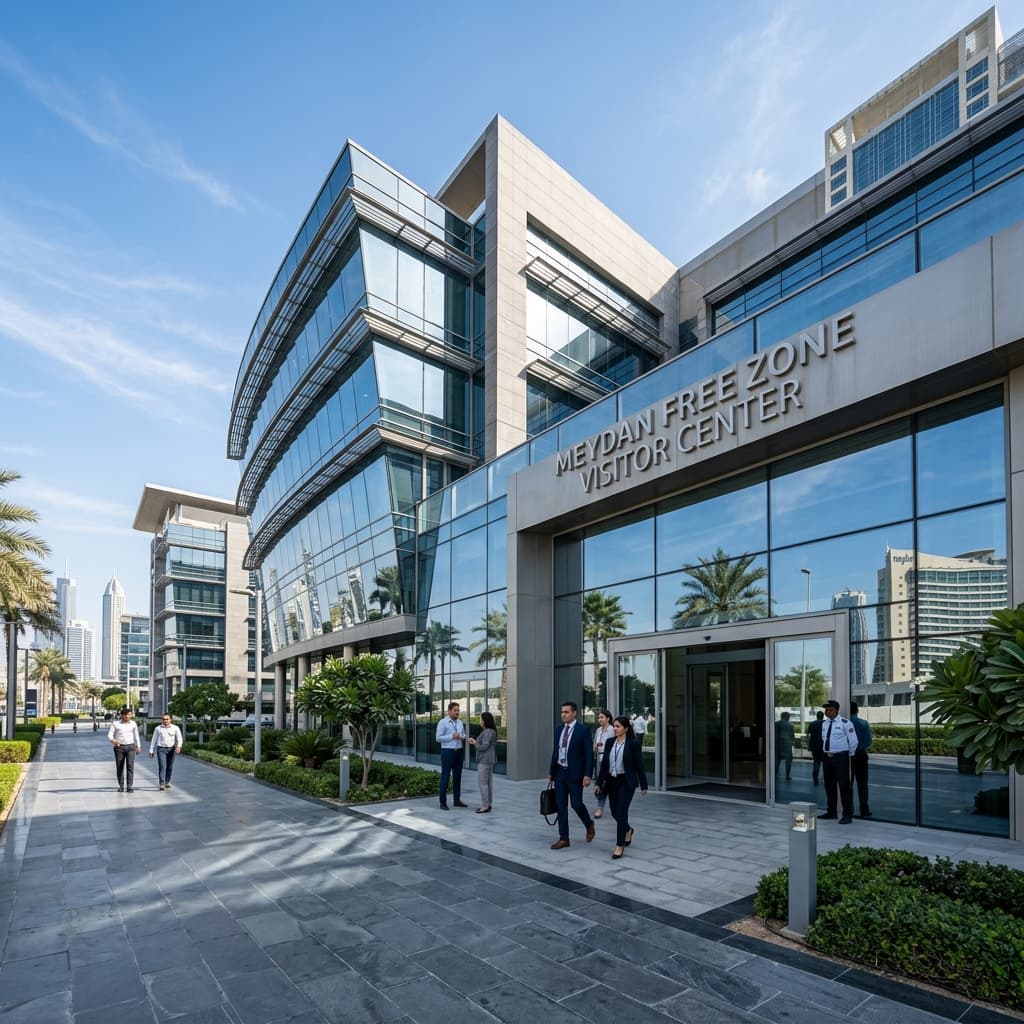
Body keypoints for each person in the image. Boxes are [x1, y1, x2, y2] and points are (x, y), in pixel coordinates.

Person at [594, 714, 648, 860]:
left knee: (622, 811)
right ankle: (628, 830)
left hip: (627, 782)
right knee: (613, 811)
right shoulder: (610, 742)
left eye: (618, 726)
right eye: (615, 726)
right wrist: (598, 783)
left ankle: (619, 845)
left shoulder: (633, 744)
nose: (615, 729)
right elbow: (605, 765)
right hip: (612, 781)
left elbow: (639, 766)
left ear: (625, 728)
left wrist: (644, 785)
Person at [547, 701, 595, 849]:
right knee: (561, 807)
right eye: (562, 712)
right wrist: (551, 772)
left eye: (566, 712)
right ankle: (564, 838)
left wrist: (587, 775)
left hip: (575, 774)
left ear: (574, 713)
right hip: (560, 773)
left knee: (576, 804)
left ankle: (589, 824)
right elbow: (556, 751)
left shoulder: (583, 730)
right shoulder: (558, 730)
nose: (563, 714)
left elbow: (589, 754)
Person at [819, 699, 858, 824]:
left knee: (844, 786)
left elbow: (853, 741)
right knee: (829, 786)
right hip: (827, 758)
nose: (827, 712)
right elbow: (824, 739)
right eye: (826, 710)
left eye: (830, 709)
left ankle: (847, 815)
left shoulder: (845, 723)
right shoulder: (824, 724)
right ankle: (831, 812)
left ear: (836, 710)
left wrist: (849, 754)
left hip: (840, 758)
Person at [435, 702, 467, 809]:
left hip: (459, 752)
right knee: (445, 776)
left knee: (457, 777)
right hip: (448, 752)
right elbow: (438, 738)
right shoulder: (442, 722)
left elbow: (464, 734)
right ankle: (443, 802)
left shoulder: (460, 722)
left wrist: (462, 736)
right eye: (455, 710)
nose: (457, 712)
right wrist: (451, 736)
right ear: (449, 711)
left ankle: (457, 800)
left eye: (458, 710)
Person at [468, 711, 497, 813]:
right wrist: (476, 742)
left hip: (485, 760)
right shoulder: (491, 731)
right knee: (488, 783)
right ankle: (488, 804)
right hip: (489, 760)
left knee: (483, 783)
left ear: (485, 721)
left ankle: (485, 805)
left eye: (481, 719)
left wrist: (475, 743)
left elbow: (484, 746)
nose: (480, 721)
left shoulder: (487, 732)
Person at [108, 707, 141, 792]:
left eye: (129, 714)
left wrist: (138, 746)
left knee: (130, 766)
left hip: (131, 747)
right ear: (122, 715)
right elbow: (110, 735)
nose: (127, 716)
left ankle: (129, 786)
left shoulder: (133, 724)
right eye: (125, 714)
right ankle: (121, 786)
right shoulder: (116, 724)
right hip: (119, 747)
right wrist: (114, 740)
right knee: (120, 766)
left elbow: (136, 735)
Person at [849, 700, 873, 818]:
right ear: (857, 710)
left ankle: (849, 809)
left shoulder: (845, 723)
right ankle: (864, 808)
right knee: (862, 783)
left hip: (848, 757)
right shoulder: (864, 723)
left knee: (848, 783)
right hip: (861, 756)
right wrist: (860, 748)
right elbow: (869, 741)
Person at [149, 713, 184, 791]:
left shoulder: (175, 728)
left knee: (169, 766)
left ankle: (167, 781)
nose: (165, 721)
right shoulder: (158, 728)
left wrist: (179, 746)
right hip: (161, 749)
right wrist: (151, 750)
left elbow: (179, 738)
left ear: (170, 720)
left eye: (167, 719)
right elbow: (153, 740)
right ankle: (162, 783)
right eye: (164, 719)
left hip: (172, 749)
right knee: (162, 766)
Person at [591, 710, 614, 819]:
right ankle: (600, 807)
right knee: (600, 784)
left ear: (608, 718)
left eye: (602, 717)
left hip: (610, 760)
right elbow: (595, 745)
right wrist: (596, 746)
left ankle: (606, 804)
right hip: (600, 759)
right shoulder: (598, 730)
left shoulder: (612, 730)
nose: (599, 719)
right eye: (599, 717)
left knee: (607, 783)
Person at [775, 712, 794, 781]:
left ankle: (775, 774)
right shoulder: (790, 725)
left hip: (778, 743)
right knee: (788, 760)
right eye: (789, 717)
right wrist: (792, 744)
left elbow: (775, 734)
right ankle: (787, 775)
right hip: (787, 743)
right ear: (787, 717)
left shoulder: (776, 723)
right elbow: (792, 736)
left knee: (777, 759)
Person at [808, 710, 825, 785]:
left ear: (816, 716)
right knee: (826, 763)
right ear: (823, 716)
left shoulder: (812, 724)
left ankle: (815, 777)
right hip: (824, 746)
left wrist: (809, 745)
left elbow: (808, 735)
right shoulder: (826, 723)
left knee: (816, 762)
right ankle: (826, 778)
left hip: (814, 746)